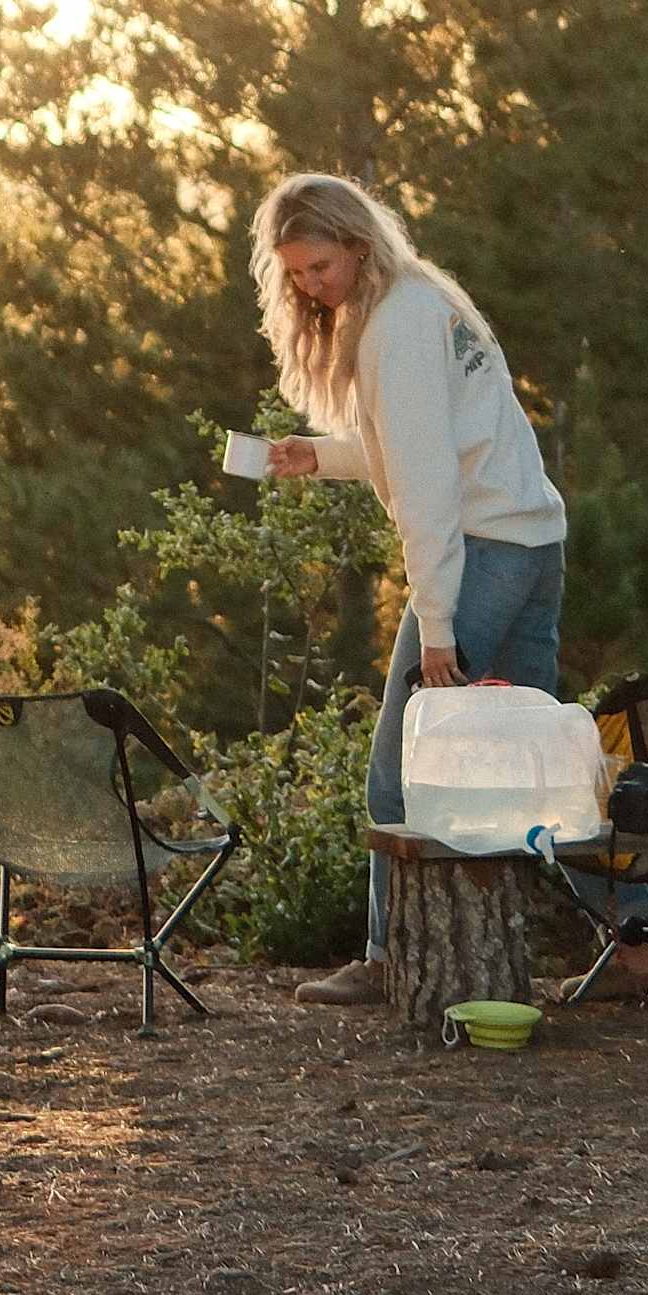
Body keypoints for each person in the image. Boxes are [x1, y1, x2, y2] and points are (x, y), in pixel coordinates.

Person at [250, 172, 568, 968]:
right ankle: (634, 942)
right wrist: (320, 456)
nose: (310, 286)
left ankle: (388, 961)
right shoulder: (425, 299)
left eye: (321, 266)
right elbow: (424, 441)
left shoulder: (395, 328)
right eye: (296, 273)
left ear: (359, 246)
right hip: (531, 541)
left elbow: (427, 489)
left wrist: (436, 625)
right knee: (542, 766)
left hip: (484, 557)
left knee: (398, 773)